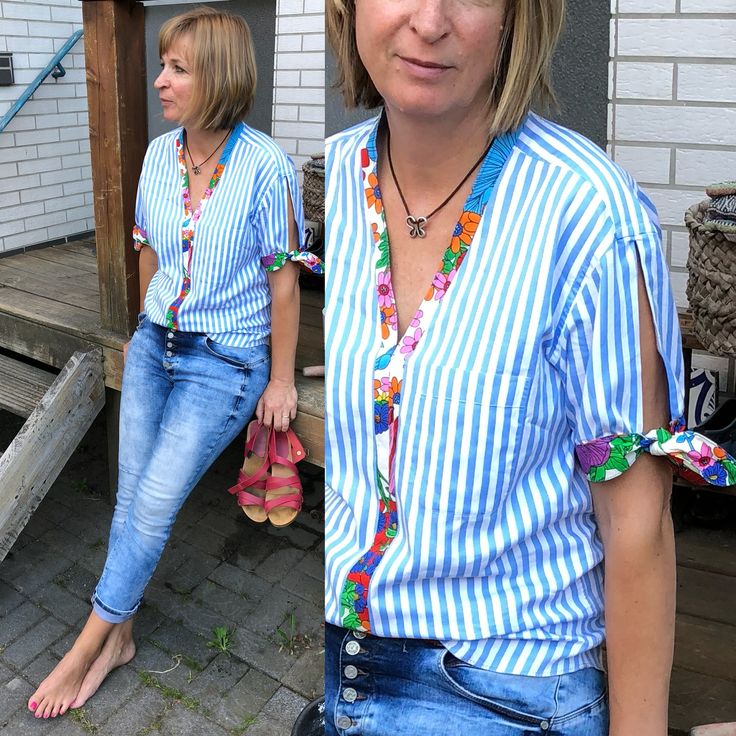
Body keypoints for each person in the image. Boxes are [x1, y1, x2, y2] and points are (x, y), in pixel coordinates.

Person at [323, 1, 735, 734]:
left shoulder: (587, 213)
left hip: (507, 691)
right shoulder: (339, 177)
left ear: (519, 17)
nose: (430, 19)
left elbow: (636, 527)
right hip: (349, 662)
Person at [28, 7, 319, 719]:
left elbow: (285, 284)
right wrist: (141, 324)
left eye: (177, 69)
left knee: (153, 504)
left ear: (216, 77)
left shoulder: (267, 168)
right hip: (156, 346)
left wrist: (281, 379)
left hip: (225, 362)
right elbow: (147, 247)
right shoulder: (161, 156)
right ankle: (120, 638)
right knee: (130, 495)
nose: (159, 81)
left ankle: (85, 645)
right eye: (163, 64)